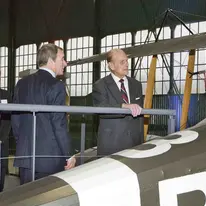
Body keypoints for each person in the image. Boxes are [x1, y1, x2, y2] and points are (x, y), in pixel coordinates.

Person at [11, 43, 76, 185]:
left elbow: (15, 119)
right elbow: (58, 123)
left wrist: (21, 143)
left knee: (27, 199)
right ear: (52, 61)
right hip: (49, 159)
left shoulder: (21, 83)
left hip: (26, 157)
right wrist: (69, 154)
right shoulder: (56, 85)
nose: (65, 63)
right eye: (62, 59)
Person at [92, 49, 144, 157]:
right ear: (111, 65)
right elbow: (101, 109)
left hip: (135, 144)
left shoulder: (137, 85)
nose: (126, 64)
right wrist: (123, 106)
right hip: (112, 144)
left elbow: (140, 115)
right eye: (122, 62)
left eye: (126, 61)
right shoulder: (100, 85)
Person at [0, 70, 12, 192]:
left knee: (2, 166)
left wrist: (1, 138)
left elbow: (8, 119)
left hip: (2, 140)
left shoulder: (6, 95)